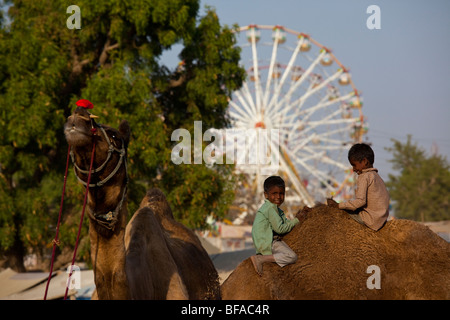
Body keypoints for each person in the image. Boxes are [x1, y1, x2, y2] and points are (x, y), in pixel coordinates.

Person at [328, 143, 390, 231]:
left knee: (340, 215)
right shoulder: (376, 176)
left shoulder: (364, 177)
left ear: (364, 161)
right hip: (381, 218)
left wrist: (338, 205)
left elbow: (360, 201)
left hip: (370, 219)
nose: (353, 169)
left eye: (354, 165)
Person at [250, 176, 299, 276]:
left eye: (281, 193)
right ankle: (261, 259)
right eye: (274, 193)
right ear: (266, 195)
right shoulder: (270, 208)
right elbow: (280, 229)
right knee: (291, 256)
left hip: (264, 241)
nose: (278, 197)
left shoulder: (275, 209)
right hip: (267, 242)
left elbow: (285, 223)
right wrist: (297, 220)